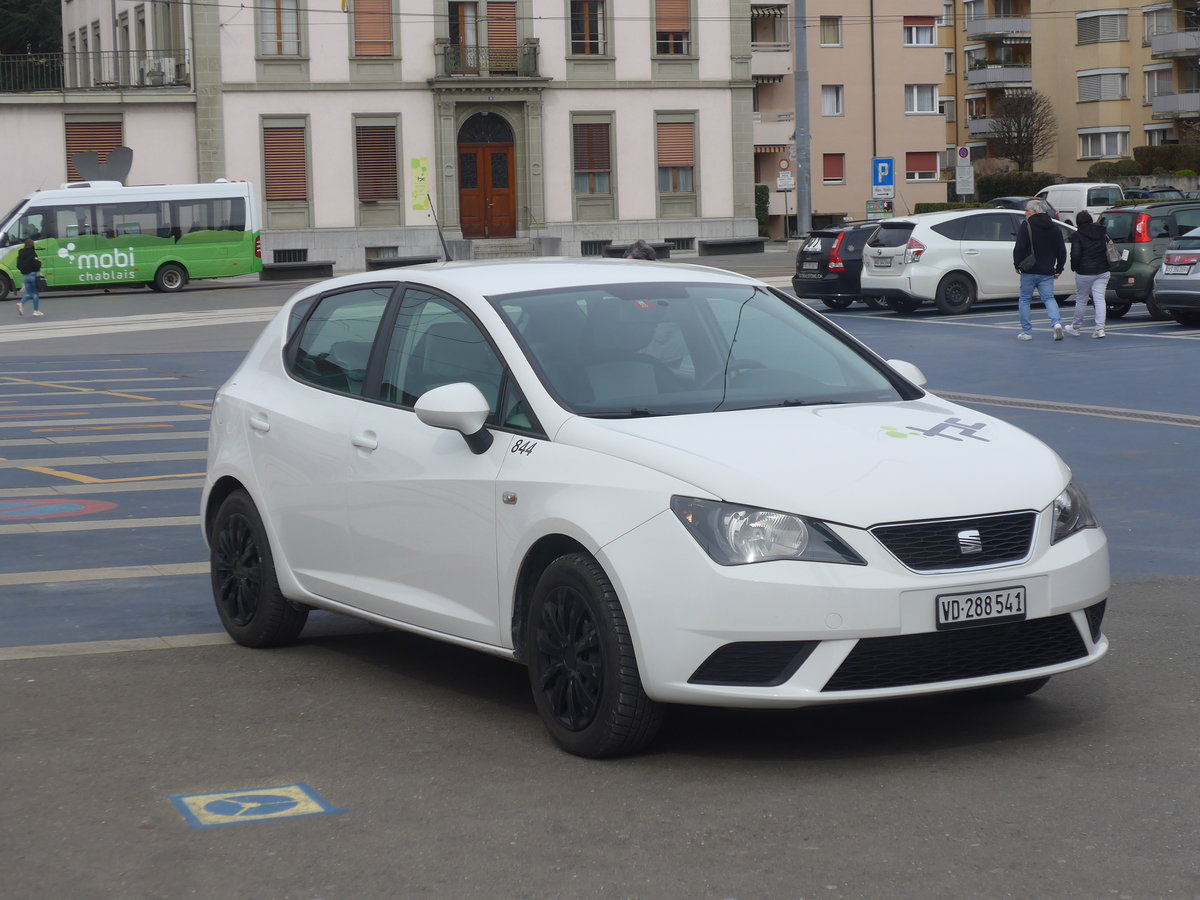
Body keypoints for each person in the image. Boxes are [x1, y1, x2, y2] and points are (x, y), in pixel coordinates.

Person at [1013, 198, 1066, 341]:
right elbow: (1061, 250)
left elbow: (1020, 246)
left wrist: (1017, 264)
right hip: (1047, 270)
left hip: (1029, 270)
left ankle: (1026, 332)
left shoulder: (1027, 225)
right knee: (1049, 298)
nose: (1025, 213)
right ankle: (1056, 324)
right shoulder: (1054, 227)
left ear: (1034, 211)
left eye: (1027, 210)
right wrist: (1059, 268)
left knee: (1025, 299)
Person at [1063, 210, 1110, 339]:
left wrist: (1074, 267)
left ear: (1078, 222)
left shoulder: (1077, 235)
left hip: (1084, 271)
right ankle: (1100, 329)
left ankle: (1076, 327)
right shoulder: (1101, 232)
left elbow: (1076, 254)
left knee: (1081, 299)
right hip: (1103, 270)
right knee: (1099, 299)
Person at [16, 239, 43, 317]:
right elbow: (36, 265)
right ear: (32, 245)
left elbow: (18, 265)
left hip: (25, 276)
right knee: (35, 293)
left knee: (29, 293)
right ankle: (36, 311)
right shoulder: (32, 253)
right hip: (33, 275)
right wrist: (39, 262)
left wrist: (24, 270)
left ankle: (21, 303)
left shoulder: (20, 253)